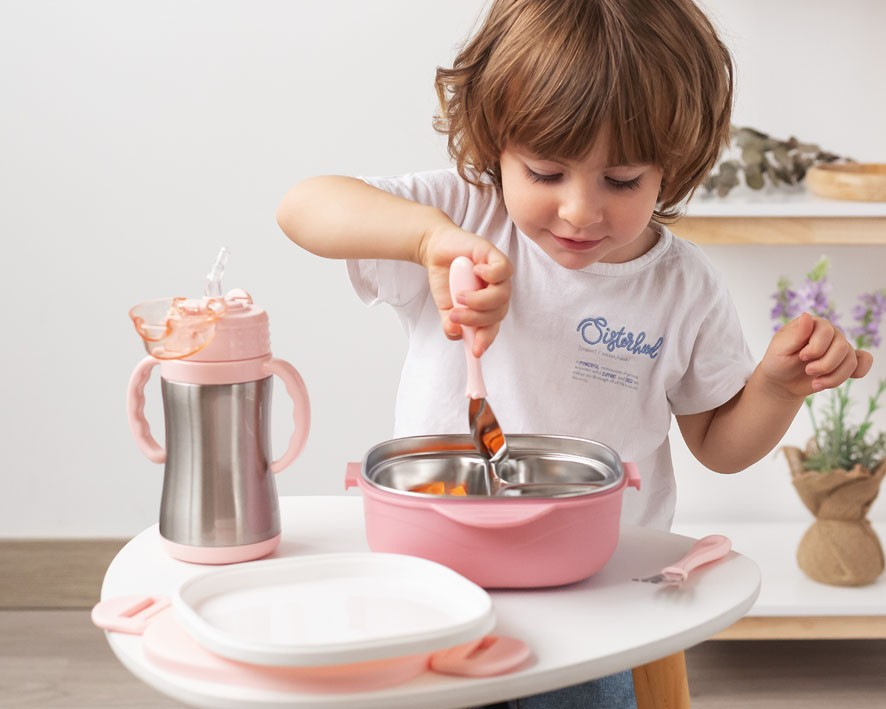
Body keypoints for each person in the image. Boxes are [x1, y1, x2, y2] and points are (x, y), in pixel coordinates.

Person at [276, 1, 873, 706]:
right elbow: (303, 206)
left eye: (621, 181)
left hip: (595, 596)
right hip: (436, 581)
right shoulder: (464, 219)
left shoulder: (682, 287)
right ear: (496, 142)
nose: (581, 211)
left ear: (673, 165)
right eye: (545, 172)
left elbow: (718, 444)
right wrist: (428, 240)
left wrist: (776, 386)